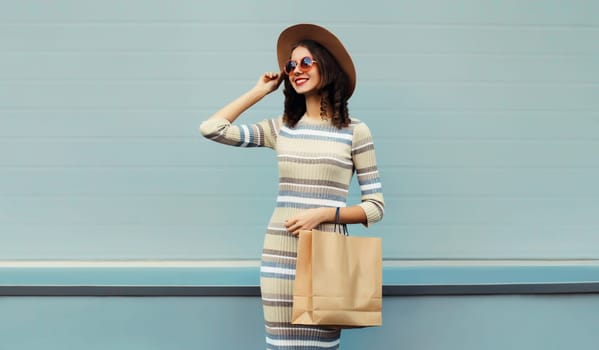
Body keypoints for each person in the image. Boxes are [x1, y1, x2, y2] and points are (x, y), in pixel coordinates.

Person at [200, 23, 384, 350]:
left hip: (327, 256)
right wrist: (260, 91)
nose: (296, 70)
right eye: (290, 65)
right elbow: (212, 128)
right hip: (279, 255)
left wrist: (324, 214)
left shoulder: (356, 131)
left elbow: (375, 207)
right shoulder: (281, 129)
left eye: (305, 62)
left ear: (327, 67)